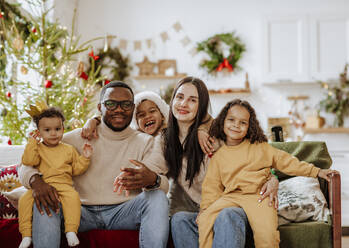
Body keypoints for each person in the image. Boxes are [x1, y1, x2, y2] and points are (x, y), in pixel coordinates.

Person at [114, 77, 279, 248]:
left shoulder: (220, 132)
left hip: (236, 204)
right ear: (172, 101)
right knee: (179, 219)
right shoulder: (166, 138)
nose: (184, 104)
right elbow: (152, 165)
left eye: (192, 100)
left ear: (201, 106)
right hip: (203, 209)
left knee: (226, 214)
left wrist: (272, 178)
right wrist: (132, 174)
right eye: (180, 97)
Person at [18, 81, 170, 248]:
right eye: (111, 104)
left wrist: (154, 179)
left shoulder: (146, 142)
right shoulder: (75, 138)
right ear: (100, 107)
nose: (119, 109)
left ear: (133, 108)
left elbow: (163, 185)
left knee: (157, 197)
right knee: (48, 200)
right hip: (79, 211)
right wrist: (35, 181)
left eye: (126, 104)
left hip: (123, 212)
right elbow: (25, 165)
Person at [197, 99, 337, 248]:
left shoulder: (260, 148)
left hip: (260, 196)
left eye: (243, 122)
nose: (236, 125)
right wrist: (205, 208)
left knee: (267, 235)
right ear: (223, 121)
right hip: (231, 196)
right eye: (231, 119)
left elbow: (288, 162)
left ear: (249, 127)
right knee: (205, 218)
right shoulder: (219, 155)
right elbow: (211, 186)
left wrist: (317, 171)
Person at [18, 106, 93, 248]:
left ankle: (71, 230)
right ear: (38, 132)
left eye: (57, 129)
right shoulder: (37, 148)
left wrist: (85, 158)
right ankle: (26, 235)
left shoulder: (68, 149)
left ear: (63, 129)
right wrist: (32, 142)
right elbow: (29, 161)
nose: (53, 134)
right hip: (43, 187)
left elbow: (76, 169)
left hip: (64, 186)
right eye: (47, 130)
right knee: (24, 201)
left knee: (73, 198)